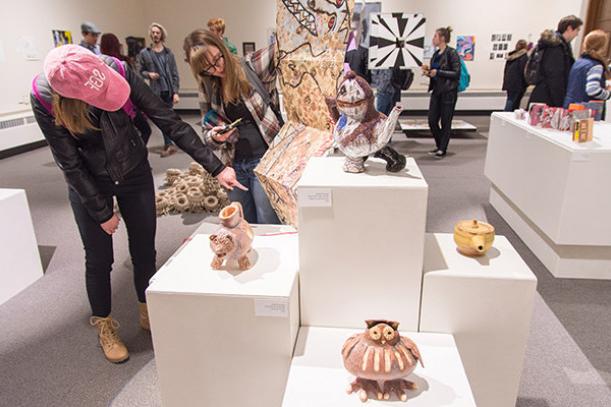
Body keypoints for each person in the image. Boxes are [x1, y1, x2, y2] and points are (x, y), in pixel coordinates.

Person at [31, 45, 244, 364]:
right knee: (99, 258)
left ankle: (147, 308)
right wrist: (101, 211)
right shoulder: (45, 96)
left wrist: (216, 167)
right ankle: (104, 325)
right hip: (89, 179)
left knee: (144, 249)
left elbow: (170, 122)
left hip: (132, 168)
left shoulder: (116, 68)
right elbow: (69, 163)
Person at [183, 29, 281, 224]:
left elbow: (284, 48)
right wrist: (215, 136)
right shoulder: (207, 87)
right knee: (242, 222)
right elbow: (206, 131)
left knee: (267, 221)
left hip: (266, 159)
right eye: (208, 68)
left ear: (221, 47)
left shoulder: (251, 65)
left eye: (217, 59)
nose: (216, 69)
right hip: (233, 164)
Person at [136, 23, 180, 156]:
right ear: (151, 34)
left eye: (158, 32)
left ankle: (170, 143)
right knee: (162, 119)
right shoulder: (145, 53)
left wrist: (176, 92)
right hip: (156, 91)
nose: (155, 35)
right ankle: (169, 144)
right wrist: (148, 74)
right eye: (153, 32)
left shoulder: (168, 53)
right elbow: (139, 71)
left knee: (169, 119)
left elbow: (174, 73)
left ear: (162, 35)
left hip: (169, 91)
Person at [101, 33, 152, 144]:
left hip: (110, 107)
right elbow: (134, 82)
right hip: (127, 104)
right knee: (145, 130)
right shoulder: (123, 62)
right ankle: (138, 152)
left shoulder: (100, 64)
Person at [422, 27, 461, 159]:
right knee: (432, 120)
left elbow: (456, 73)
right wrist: (429, 73)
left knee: (446, 121)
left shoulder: (452, 53)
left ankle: (442, 148)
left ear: (442, 38)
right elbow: (435, 72)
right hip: (437, 91)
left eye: (435, 36)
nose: (433, 39)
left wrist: (438, 72)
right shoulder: (436, 54)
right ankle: (440, 145)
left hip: (448, 92)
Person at [528, 15, 583, 107]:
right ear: (569, 28)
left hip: (545, 95)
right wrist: (560, 103)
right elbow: (555, 77)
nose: (577, 34)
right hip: (548, 98)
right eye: (577, 30)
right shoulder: (556, 47)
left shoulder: (559, 46)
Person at [564, 29, 611, 112]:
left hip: (570, 106)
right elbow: (593, 90)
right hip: (586, 112)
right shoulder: (596, 66)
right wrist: (607, 93)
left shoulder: (578, 62)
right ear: (602, 47)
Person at [502, 40, 529, 111]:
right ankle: (507, 115)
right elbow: (524, 71)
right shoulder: (524, 57)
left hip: (509, 82)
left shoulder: (511, 56)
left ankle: (505, 115)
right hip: (518, 83)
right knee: (513, 102)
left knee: (510, 99)